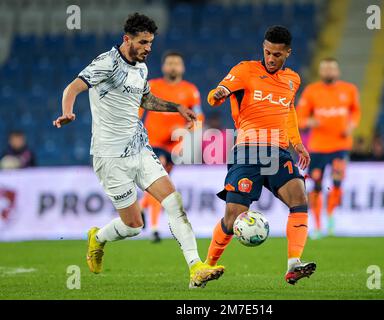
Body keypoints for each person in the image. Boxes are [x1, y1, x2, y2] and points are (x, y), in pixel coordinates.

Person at [52, 13, 224, 288]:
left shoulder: (141, 69)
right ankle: (99, 237)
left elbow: (145, 99)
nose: (147, 48)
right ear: (127, 39)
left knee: (173, 201)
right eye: (143, 42)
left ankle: (196, 268)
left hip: (140, 148)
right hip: (110, 157)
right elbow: (72, 87)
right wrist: (67, 112)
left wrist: (176, 108)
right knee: (134, 226)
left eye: (150, 43)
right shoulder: (106, 63)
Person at [205, 25, 316, 285]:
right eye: (267, 52)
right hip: (247, 151)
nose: (271, 58)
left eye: (277, 54)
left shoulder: (293, 80)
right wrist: (218, 94)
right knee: (232, 218)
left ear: (287, 53)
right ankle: (205, 266)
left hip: (278, 151)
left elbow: (288, 111)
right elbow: (214, 95)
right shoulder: (244, 70)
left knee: (300, 197)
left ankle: (293, 265)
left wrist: (297, 143)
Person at [139, 51, 204, 243]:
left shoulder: (190, 90)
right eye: (170, 63)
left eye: (177, 63)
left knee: (160, 184)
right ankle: (154, 229)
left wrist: (187, 129)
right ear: (163, 67)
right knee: (160, 180)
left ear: (182, 68)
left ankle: (142, 207)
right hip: (152, 142)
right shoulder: (152, 86)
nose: (173, 66)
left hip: (175, 144)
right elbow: (138, 109)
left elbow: (198, 117)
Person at [297, 57, 361, 238]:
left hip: (341, 145)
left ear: (337, 71)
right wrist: (310, 121)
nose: (328, 72)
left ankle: (331, 215)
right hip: (318, 147)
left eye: (331, 69)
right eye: (325, 69)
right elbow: (299, 118)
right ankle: (317, 226)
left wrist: (351, 125)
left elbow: (356, 111)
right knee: (316, 185)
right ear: (320, 72)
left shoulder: (349, 90)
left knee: (337, 183)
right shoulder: (311, 91)